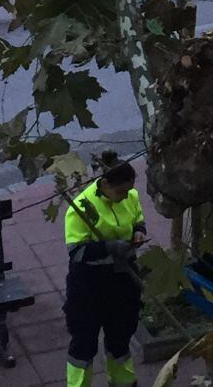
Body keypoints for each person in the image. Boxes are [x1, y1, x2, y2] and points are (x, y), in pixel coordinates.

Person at [63, 152, 146, 387]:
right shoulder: (81, 208)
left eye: (129, 190)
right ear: (105, 183)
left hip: (123, 280)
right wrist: (109, 247)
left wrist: (139, 231)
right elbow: (76, 251)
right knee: (83, 344)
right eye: (121, 191)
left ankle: (124, 383)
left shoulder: (129, 196)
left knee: (120, 339)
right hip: (88, 286)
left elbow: (137, 217)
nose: (125, 196)